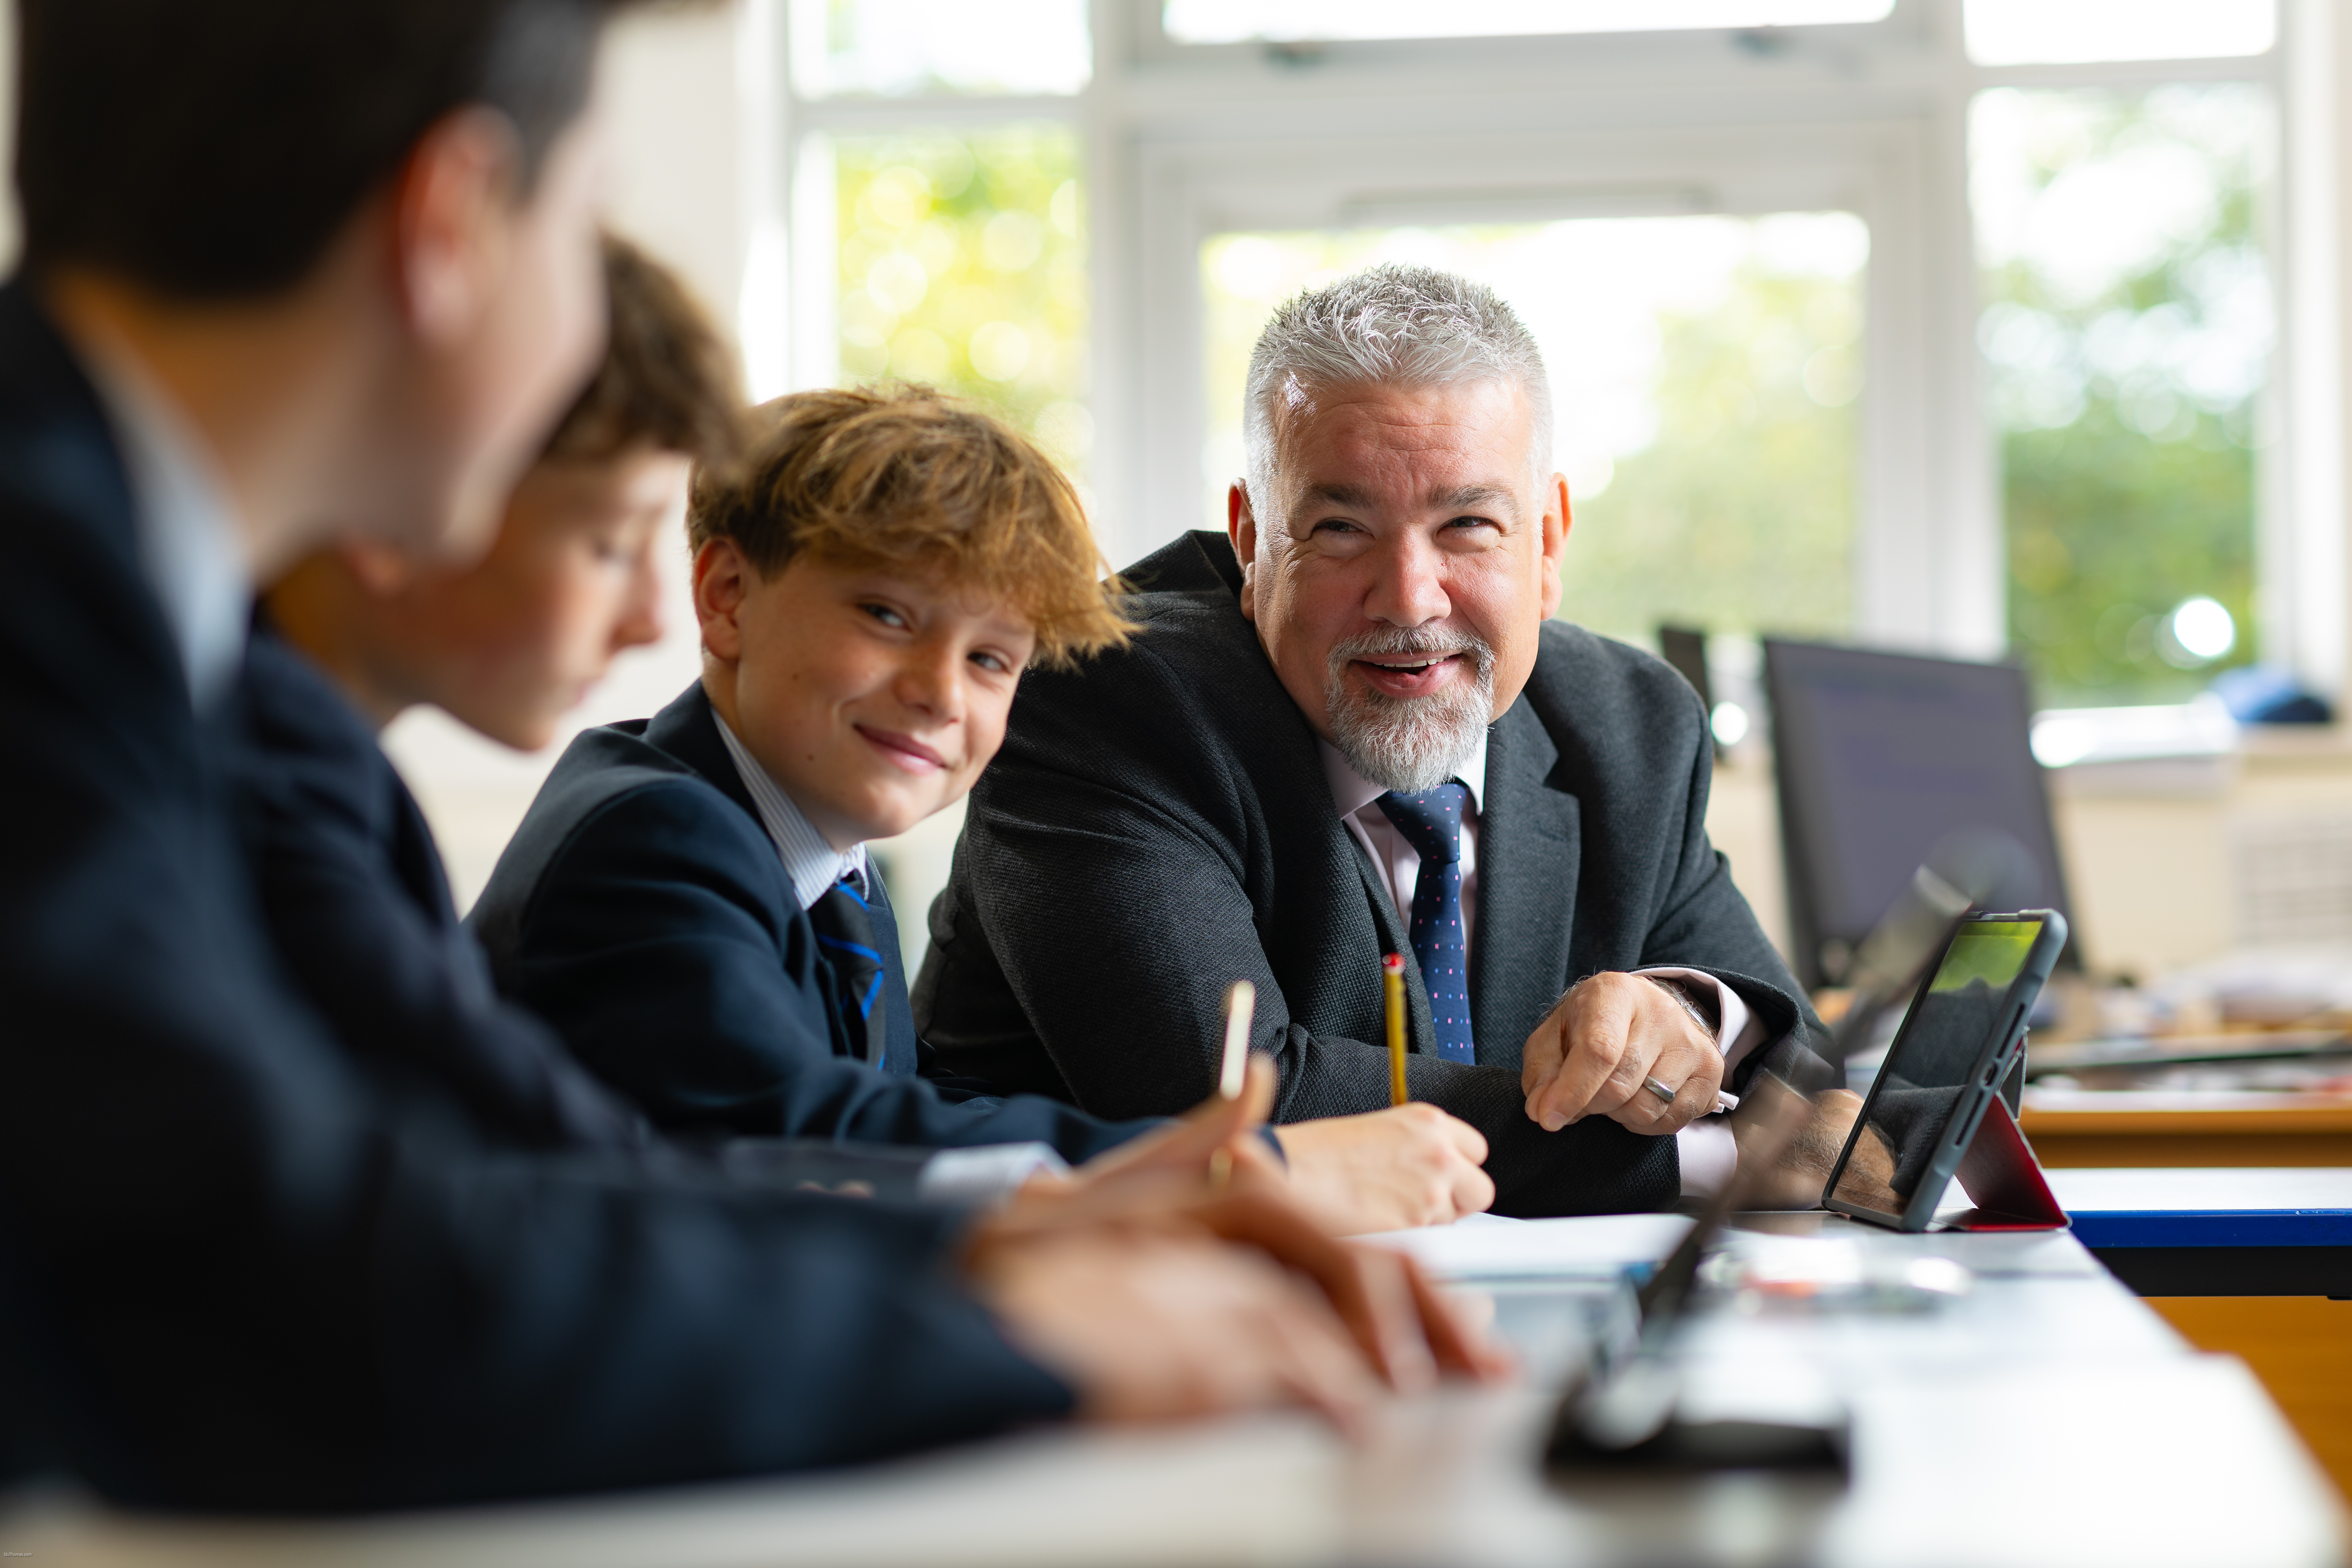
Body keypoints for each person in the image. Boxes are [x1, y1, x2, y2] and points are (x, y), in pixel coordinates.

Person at [0, 4, 1494, 1512]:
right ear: (447, 218)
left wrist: (1007, 1242)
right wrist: (1016, 1329)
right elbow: (275, 1284)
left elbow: (504, 1178)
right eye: (586, 226)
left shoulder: (152, 631)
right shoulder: (57, 616)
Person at [916, 264, 1856, 1217]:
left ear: (1548, 542)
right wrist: (1723, 1156)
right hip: (1105, 1318)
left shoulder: (1632, 722)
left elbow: (1817, 1080)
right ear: (1250, 540)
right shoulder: (1104, 698)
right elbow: (1228, 1104)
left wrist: (1688, 1018)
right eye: (1339, 528)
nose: (1409, 597)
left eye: (1469, 525)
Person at [467, 384, 1497, 1232]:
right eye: (887, 616)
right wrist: (1259, 1168)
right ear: (727, 596)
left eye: (992, 659)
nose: (940, 692)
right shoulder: (655, 837)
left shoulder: (831, 874)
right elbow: (815, 1146)